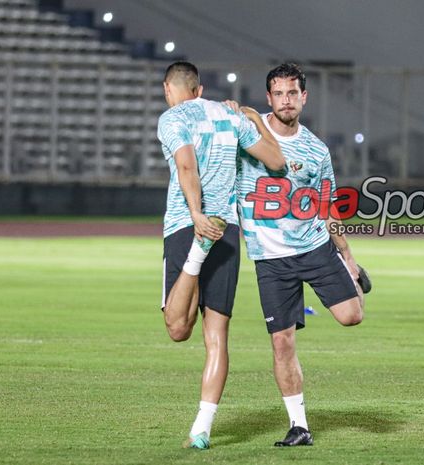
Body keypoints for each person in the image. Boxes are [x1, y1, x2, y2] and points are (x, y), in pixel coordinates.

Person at [228, 62, 371, 447]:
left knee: (352, 316)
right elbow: (224, 124)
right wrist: (235, 110)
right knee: (282, 342)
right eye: (279, 93)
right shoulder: (249, 137)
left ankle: (348, 274)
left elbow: (328, 207)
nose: (286, 100)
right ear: (269, 97)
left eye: (293, 93)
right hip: (270, 261)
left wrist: (349, 257)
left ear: (303, 98)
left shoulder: (316, 149)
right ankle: (299, 426)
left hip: (313, 247)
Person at [157, 61, 285, 449]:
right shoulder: (228, 115)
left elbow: (185, 165)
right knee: (217, 337)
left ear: (169, 89)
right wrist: (253, 117)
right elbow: (277, 162)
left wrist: (196, 215)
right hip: (227, 230)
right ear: (199, 89)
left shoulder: (172, 118)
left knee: (178, 329)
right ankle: (202, 427)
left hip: (187, 224)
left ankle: (196, 256)